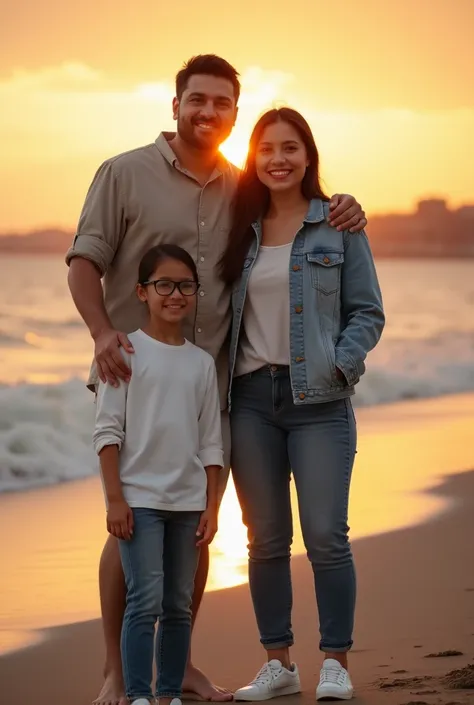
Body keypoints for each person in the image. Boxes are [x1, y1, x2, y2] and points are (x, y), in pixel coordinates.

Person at [66, 53, 368, 705]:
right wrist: (98, 333)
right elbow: (83, 262)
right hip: (136, 375)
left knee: (194, 521)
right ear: (174, 105)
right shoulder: (124, 172)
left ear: (235, 113)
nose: (207, 112)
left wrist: (341, 204)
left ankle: (179, 666)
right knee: (132, 522)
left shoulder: (244, 188)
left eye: (221, 103)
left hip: (217, 386)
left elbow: (304, 231)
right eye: (195, 100)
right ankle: (117, 672)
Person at [220, 108, 385, 701]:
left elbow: (368, 311)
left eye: (291, 148)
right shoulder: (237, 227)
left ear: (308, 156)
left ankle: (335, 661)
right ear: (252, 157)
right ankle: (279, 663)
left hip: (319, 400)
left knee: (324, 534)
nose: (279, 159)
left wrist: (341, 364)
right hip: (250, 401)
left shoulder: (339, 224)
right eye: (266, 148)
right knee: (264, 538)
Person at [93, 244, 223, 705]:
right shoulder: (124, 352)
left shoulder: (201, 363)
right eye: (164, 285)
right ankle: (140, 695)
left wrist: (212, 506)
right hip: (140, 503)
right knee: (143, 601)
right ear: (142, 292)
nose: (176, 294)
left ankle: (168, 695)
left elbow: (211, 443)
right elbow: (107, 434)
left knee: (178, 607)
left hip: (189, 506)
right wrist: (115, 499)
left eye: (185, 285)